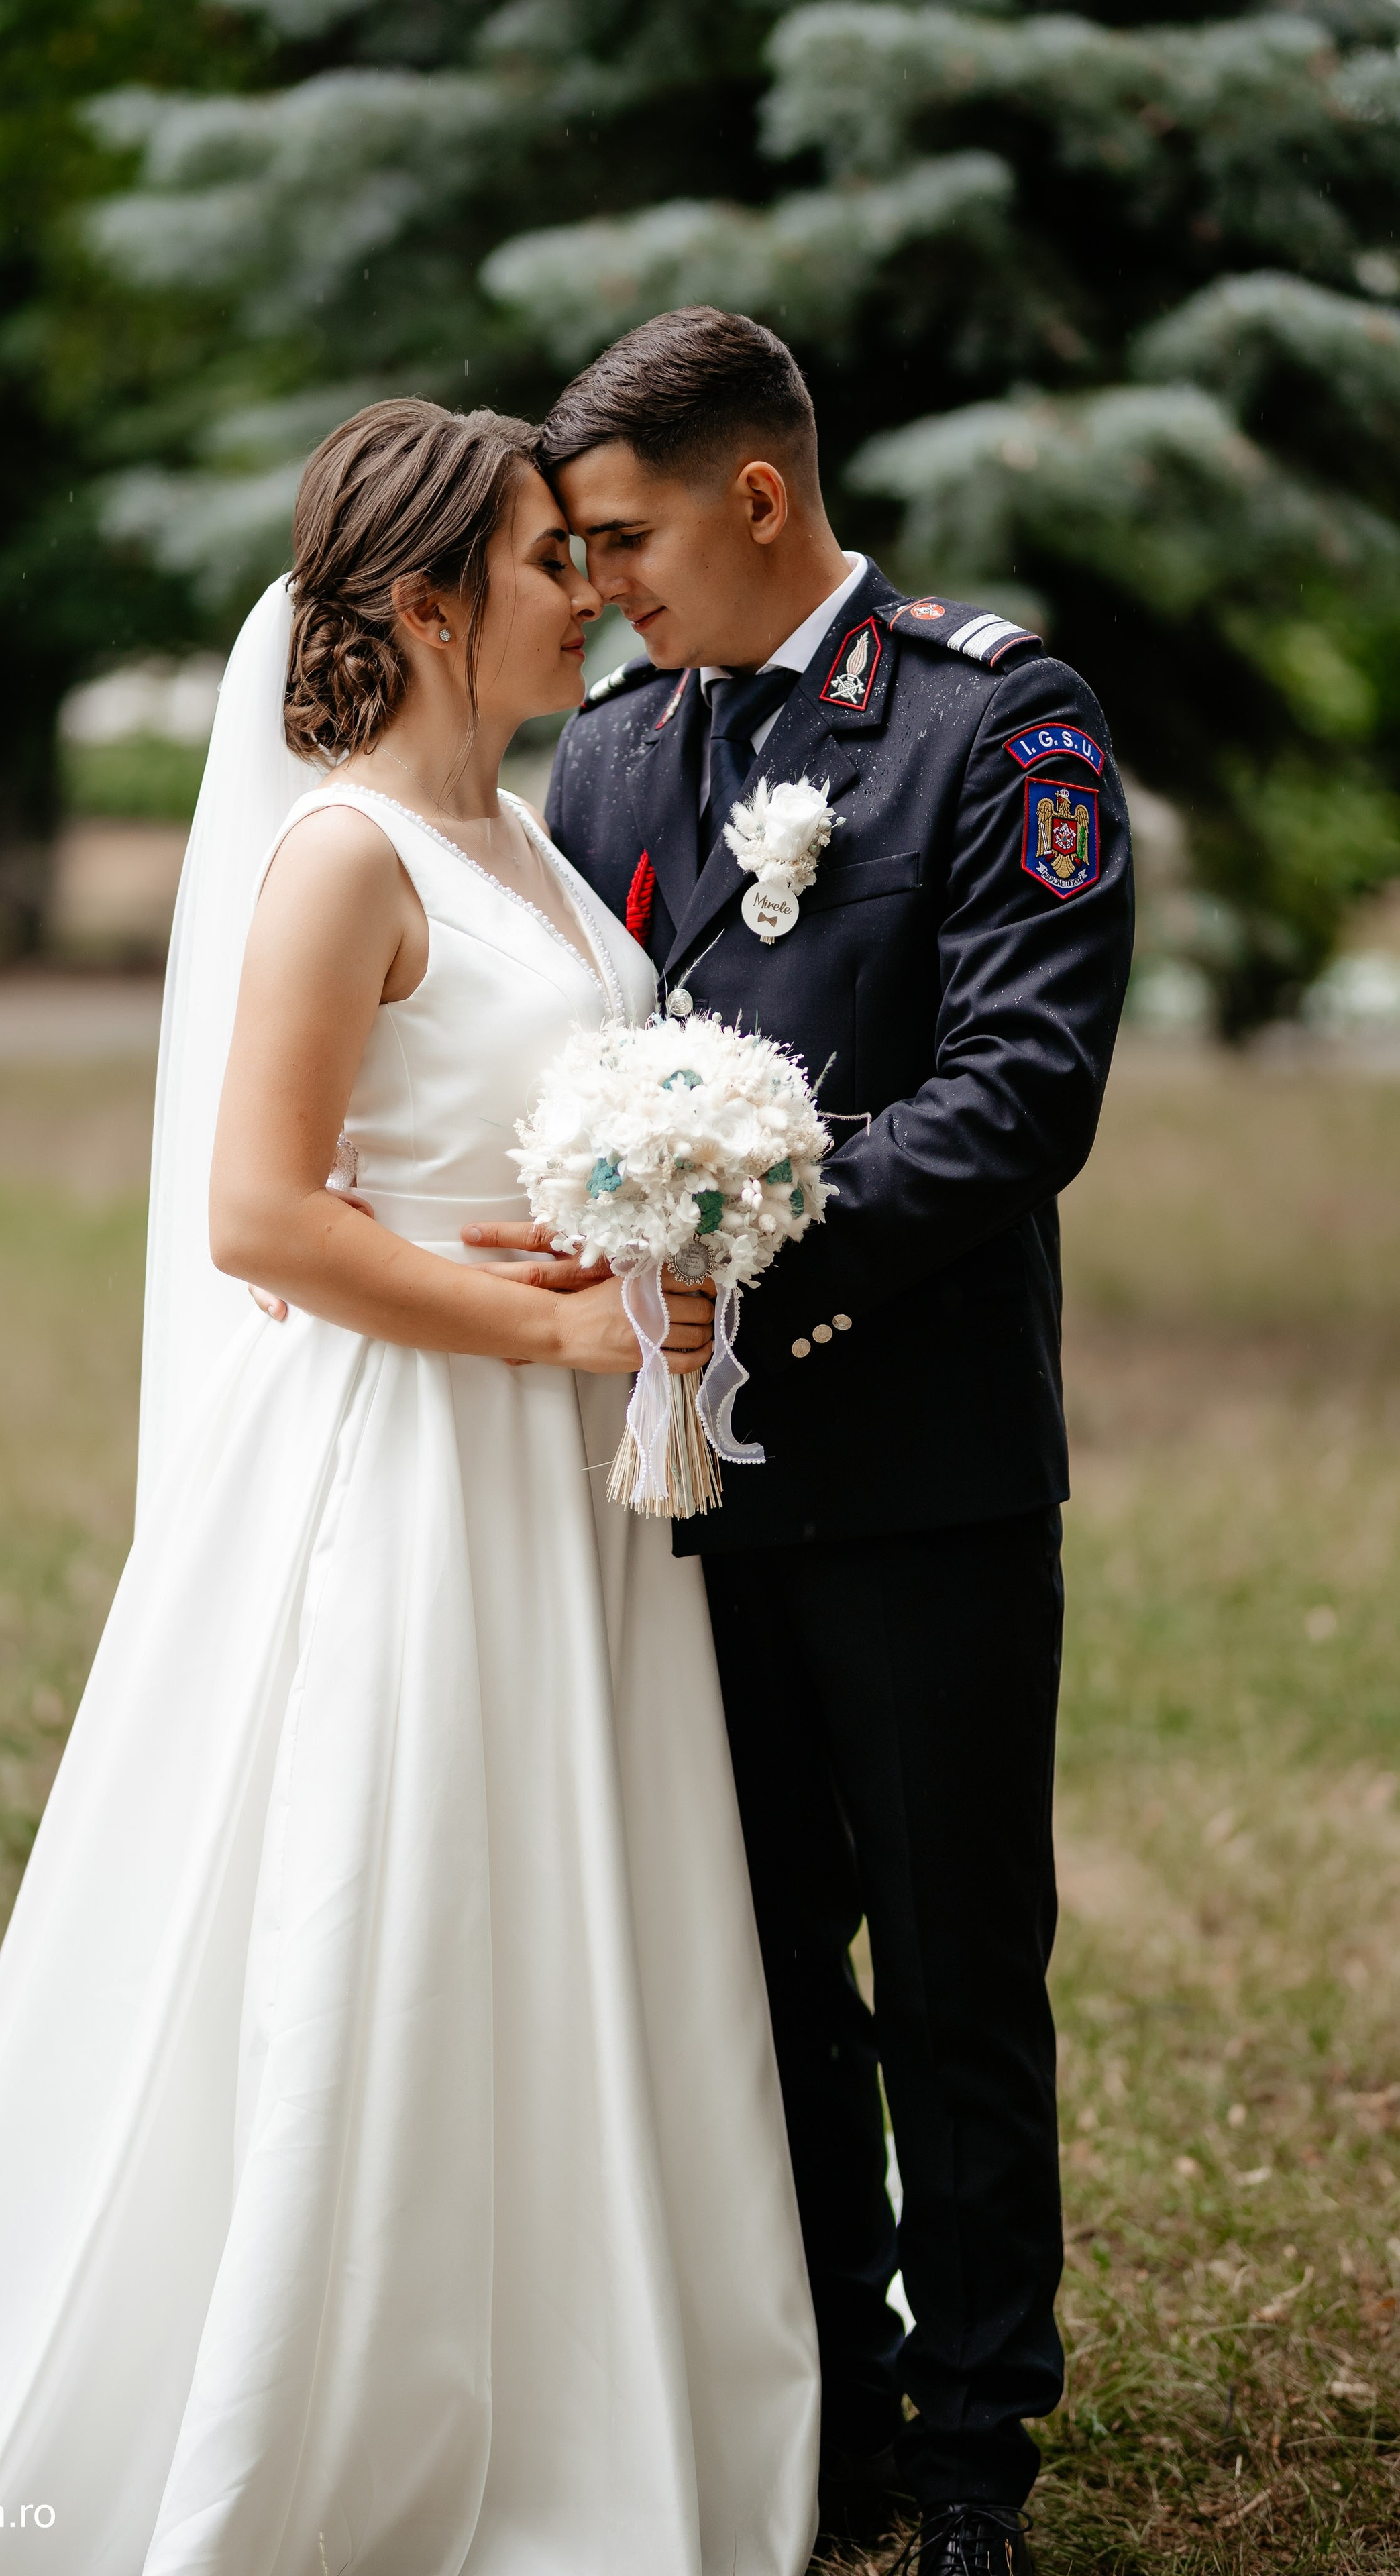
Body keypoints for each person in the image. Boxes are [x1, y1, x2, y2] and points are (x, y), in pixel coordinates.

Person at [0, 401, 821, 2574]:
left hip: (558, 1493)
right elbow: (262, 1217)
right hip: (402, 1474)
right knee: (388, 1899)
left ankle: (592, 2355)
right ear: (423, 603)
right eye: (539, 561)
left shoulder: (529, 850)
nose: (583, 591)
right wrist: (554, 1330)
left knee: (564, 1892)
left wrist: (648, 1256)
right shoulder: (342, 859)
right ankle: (348, 2388)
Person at [470, 309, 1135, 2576]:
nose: (606, 588)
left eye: (629, 536)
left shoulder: (992, 722)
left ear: (760, 496)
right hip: (671, 1486)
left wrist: (750, 1248)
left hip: (925, 1474)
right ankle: (830, 2402)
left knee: (953, 1974)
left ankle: (974, 2456)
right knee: (750, 1965)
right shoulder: (621, 756)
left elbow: (1020, 1094)